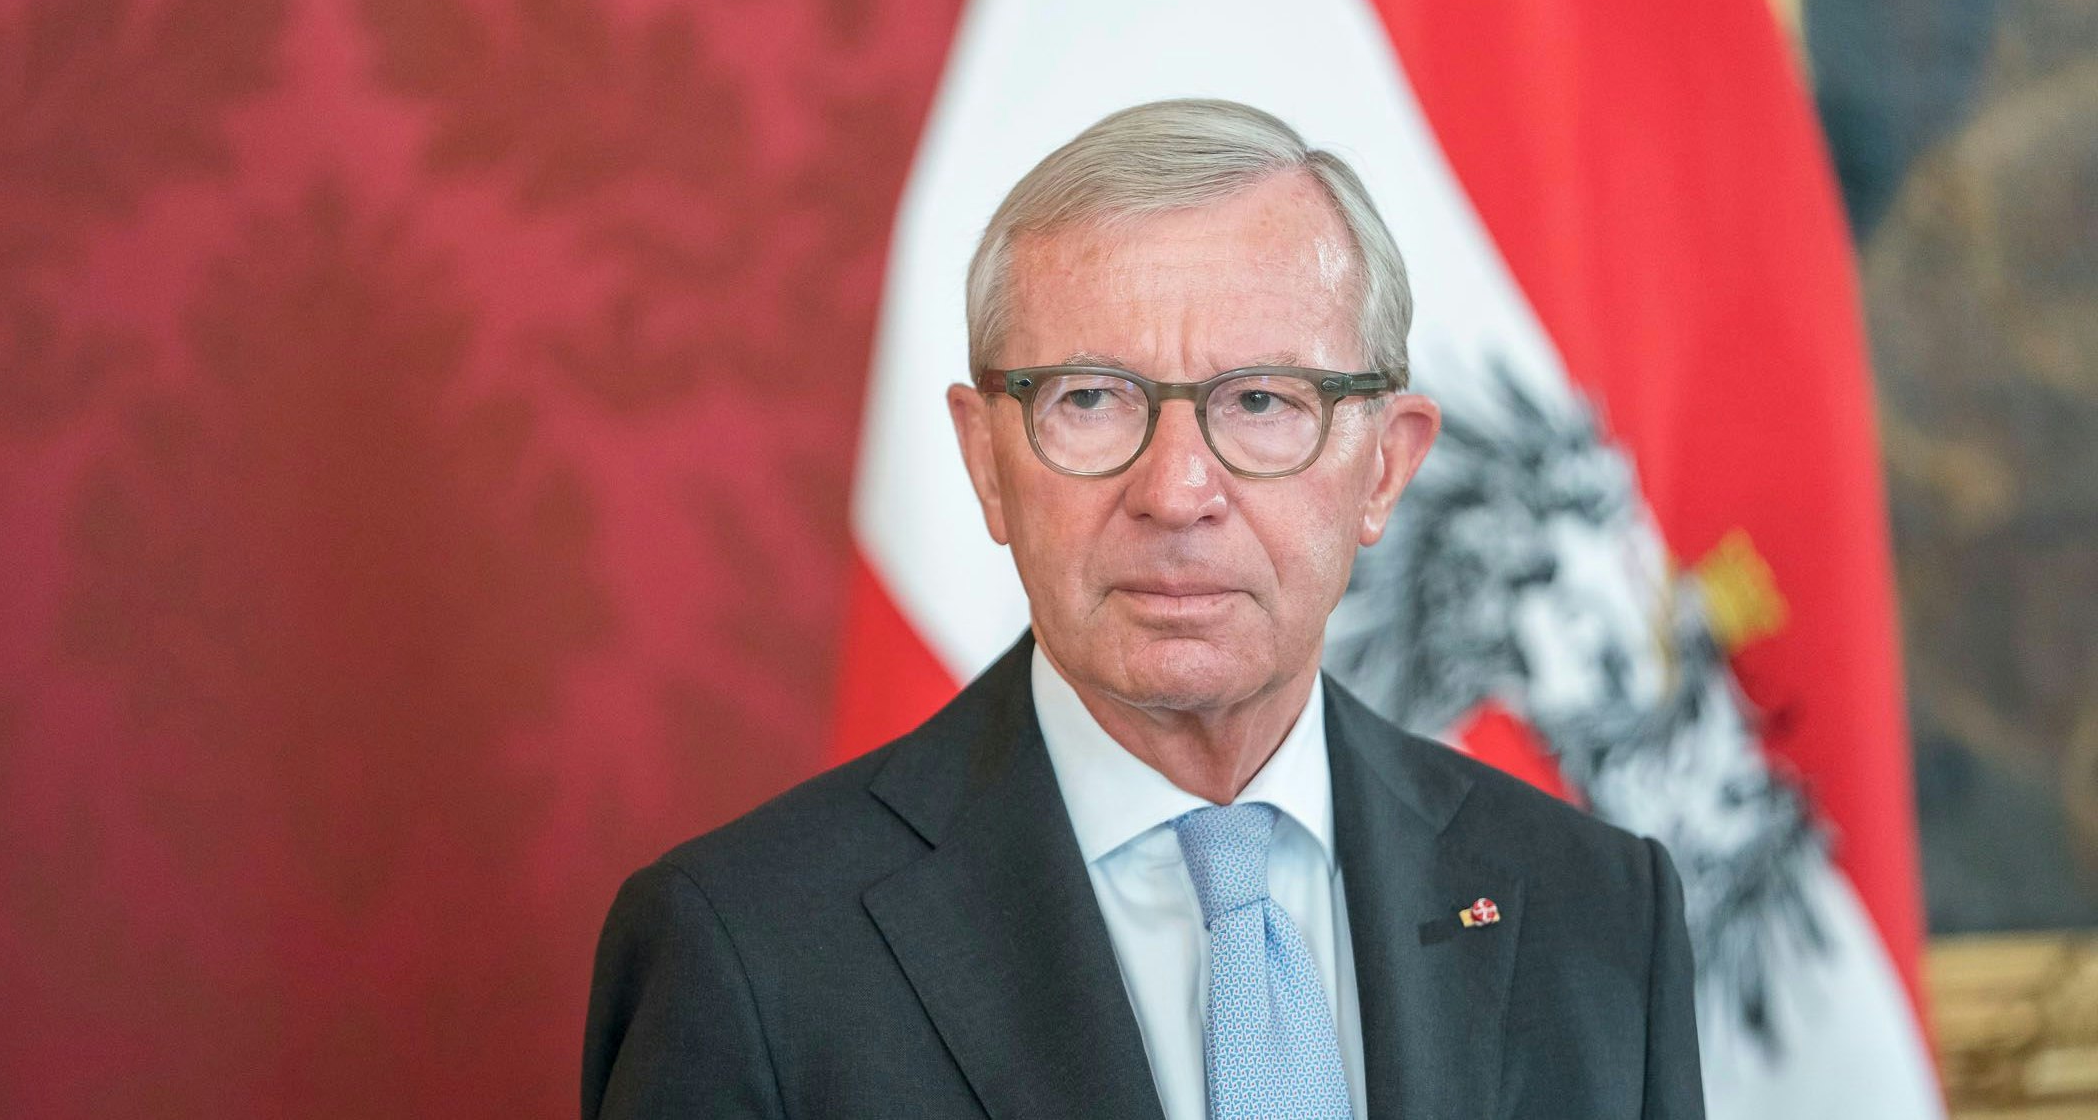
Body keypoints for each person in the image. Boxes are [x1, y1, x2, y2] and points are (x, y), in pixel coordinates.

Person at [583, 99, 1705, 1119]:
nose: (1174, 492)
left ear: (1385, 467)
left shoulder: (1601, 912)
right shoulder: (747, 950)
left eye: (1261, 400)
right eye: (1091, 399)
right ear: (986, 460)